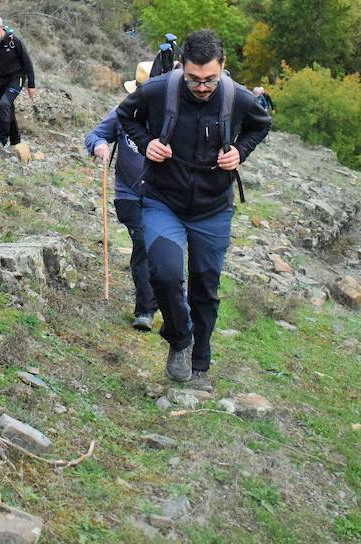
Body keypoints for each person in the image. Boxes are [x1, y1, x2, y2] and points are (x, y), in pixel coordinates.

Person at [116, 29, 270, 391]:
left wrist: (238, 153)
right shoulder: (158, 90)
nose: (202, 87)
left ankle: (200, 363)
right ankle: (180, 340)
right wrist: (147, 142)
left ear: (223, 67)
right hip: (162, 200)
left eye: (210, 80)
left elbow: (261, 126)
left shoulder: (238, 98)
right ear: (182, 65)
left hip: (213, 208)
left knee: (206, 287)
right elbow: (126, 116)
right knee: (166, 274)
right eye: (194, 79)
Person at [86, 60, 157, 331]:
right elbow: (95, 135)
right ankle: (145, 310)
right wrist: (100, 145)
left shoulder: (171, 117)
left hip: (162, 196)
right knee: (142, 241)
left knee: (157, 249)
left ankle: (160, 298)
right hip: (127, 193)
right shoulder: (123, 113)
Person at [0, 14, 35, 152]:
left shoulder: (14, 40)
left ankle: (1, 140)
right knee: (7, 107)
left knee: (4, 103)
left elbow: (27, 62)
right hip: (0, 80)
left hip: (16, 78)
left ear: (1, 28)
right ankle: (15, 141)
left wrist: (31, 85)